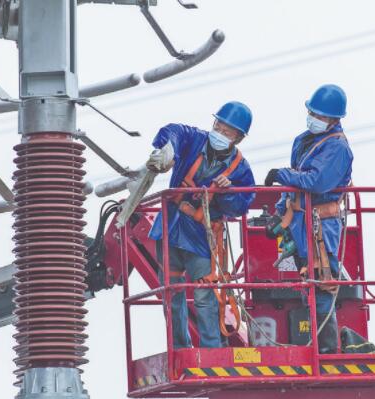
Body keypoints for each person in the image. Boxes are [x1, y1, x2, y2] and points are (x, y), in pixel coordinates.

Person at [148, 101, 256, 348]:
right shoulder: (194, 140)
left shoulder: (240, 168)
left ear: (238, 138)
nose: (220, 131)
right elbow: (173, 131)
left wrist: (227, 191)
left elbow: (241, 205)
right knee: (170, 294)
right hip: (170, 227)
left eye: (227, 131)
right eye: (219, 124)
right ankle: (179, 349)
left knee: (205, 295)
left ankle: (211, 351)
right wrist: (166, 149)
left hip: (200, 236)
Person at [264, 84, 353, 353]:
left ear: (334, 119)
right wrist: (281, 213)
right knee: (307, 280)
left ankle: (326, 351)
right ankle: (317, 346)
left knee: (322, 279)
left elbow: (316, 182)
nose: (314, 118)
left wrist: (282, 175)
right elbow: (295, 181)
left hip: (322, 223)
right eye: (312, 112)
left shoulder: (338, 148)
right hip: (302, 220)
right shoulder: (304, 140)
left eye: (320, 115)